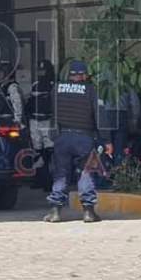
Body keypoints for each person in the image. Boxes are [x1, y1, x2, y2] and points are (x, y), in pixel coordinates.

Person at [44, 60, 110, 223]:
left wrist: (54, 136)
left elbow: (52, 112)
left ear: (70, 75)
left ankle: (55, 212)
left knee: (61, 173)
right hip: (84, 138)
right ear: (84, 75)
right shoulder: (91, 90)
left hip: (62, 137)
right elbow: (100, 116)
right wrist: (106, 139)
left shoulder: (57, 89)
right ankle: (88, 212)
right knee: (86, 172)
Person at [25, 60, 56, 189]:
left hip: (48, 121)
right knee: (37, 150)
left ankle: (49, 180)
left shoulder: (54, 86)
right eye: (40, 71)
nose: (42, 73)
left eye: (44, 70)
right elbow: (29, 103)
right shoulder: (35, 85)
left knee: (49, 150)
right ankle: (39, 178)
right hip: (35, 121)